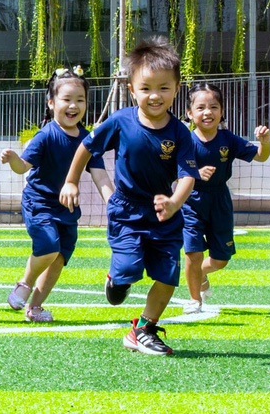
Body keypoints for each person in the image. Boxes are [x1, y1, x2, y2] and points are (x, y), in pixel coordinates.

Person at [62, 37, 198, 355]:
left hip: (165, 214)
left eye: (164, 88)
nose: (155, 95)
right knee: (130, 270)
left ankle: (143, 329)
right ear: (132, 89)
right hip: (126, 212)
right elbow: (86, 147)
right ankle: (118, 277)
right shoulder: (121, 121)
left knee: (167, 277)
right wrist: (71, 181)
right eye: (146, 88)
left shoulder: (180, 133)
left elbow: (188, 175)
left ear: (176, 89)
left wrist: (175, 202)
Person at [0, 67, 114, 322]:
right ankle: (24, 284)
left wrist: (113, 203)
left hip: (68, 209)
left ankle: (35, 307)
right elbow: (23, 168)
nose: (73, 105)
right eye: (67, 99)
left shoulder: (88, 139)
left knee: (59, 258)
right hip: (39, 203)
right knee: (48, 246)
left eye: (80, 100)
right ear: (51, 103)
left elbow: (100, 175)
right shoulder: (46, 135)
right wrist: (13, 159)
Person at [181, 82, 270, 313]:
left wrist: (265, 142)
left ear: (221, 112)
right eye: (200, 108)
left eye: (213, 107)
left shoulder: (229, 139)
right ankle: (194, 300)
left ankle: (200, 274)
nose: (207, 112)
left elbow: (261, 157)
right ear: (190, 113)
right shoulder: (184, 141)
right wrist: (194, 174)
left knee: (220, 259)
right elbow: (170, 169)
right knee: (192, 251)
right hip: (191, 200)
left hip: (220, 200)